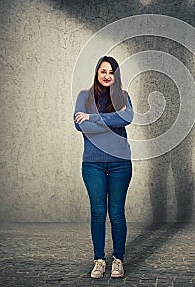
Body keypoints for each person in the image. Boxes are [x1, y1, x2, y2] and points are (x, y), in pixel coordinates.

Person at [73, 55, 134, 279]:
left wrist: (93, 117)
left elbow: (127, 118)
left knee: (116, 213)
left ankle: (118, 259)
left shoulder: (123, 97)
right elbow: (81, 127)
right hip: (93, 164)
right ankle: (99, 260)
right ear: (97, 73)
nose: (108, 76)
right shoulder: (84, 96)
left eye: (112, 73)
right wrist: (109, 122)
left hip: (120, 164)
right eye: (103, 72)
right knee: (98, 212)